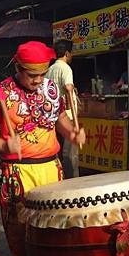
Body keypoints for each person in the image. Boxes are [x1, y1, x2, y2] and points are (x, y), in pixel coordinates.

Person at [0, 41, 86, 256]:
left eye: (43, 74)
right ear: (18, 67)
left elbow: (60, 119)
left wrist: (71, 133)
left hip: (50, 168)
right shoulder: (0, 93)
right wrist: (2, 146)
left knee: (57, 228)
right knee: (21, 234)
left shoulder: (52, 90)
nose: (38, 80)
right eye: (32, 75)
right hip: (18, 173)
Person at [46, 39, 78, 178]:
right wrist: (75, 123)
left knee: (58, 151)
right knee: (70, 154)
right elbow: (68, 89)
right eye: (71, 53)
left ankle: (59, 178)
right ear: (66, 53)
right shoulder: (65, 68)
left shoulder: (50, 69)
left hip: (54, 116)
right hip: (67, 116)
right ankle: (73, 184)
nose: (72, 56)